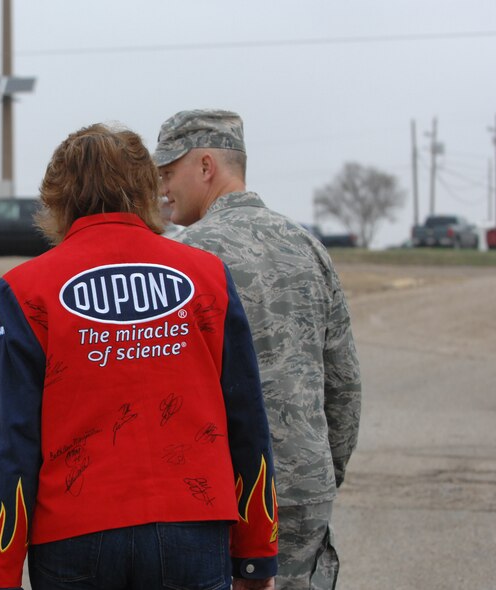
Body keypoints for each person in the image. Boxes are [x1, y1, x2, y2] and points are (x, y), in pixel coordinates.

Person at [0, 123, 278, 590]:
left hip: (74, 534)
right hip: (194, 528)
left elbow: (9, 442)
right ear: (146, 188)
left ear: (57, 196)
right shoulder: (208, 275)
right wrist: (257, 555)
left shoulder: (26, 288)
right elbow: (246, 417)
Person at [154, 109, 362, 590]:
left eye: (168, 173)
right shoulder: (307, 246)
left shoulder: (185, 259)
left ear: (206, 166)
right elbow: (344, 381)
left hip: (221, 497)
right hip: (304, 487)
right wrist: (321, 470)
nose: (161, 187)